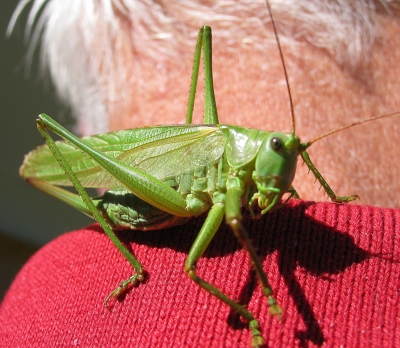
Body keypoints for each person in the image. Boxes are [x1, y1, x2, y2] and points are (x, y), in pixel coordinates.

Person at [1, 1, 399, 347]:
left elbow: (291, 151)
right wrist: (261, 310)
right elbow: (199, 260)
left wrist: (331, 199)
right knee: (192, 260)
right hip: (157, 200)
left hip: (187, 182)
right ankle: (134, 266)